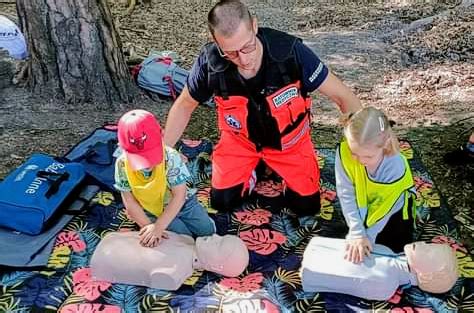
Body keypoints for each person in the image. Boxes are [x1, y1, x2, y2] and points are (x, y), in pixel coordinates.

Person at [163, 0, 362, 216]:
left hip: (290, 144)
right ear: (216, 41)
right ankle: (255, 170)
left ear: (255, 26)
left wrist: (361, 149)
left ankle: (282, 174)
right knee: (222, 201)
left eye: (247, 46)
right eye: (231, 52)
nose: (243, 59)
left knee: (307, 207)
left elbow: (344, 97)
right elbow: (184, 105)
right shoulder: (209, 62)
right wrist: (163, 152)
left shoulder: (290, 52)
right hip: (240, 144)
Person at [114, 109, 215, 248]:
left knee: (207, 232)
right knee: (184, 241)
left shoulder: (171, 157)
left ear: (162, 136)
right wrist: (151, 228)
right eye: (140, 159)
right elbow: (129, 202)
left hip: (184, 204)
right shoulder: (122, 163)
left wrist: (159, 227)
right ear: (122, 148)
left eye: (150, 156)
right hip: (152, 210)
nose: (147, 165)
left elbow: (179, 195)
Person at [335, 107, 416, 263]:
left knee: (395, 253)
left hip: (392, 213)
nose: (359, 160)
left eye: (368, 156)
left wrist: (368, 237)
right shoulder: (344, 153)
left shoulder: (395, 166)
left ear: (385, 145)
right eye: (354, 153)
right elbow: (346, 194)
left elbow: (386, 208)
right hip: (364, 207)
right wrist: (357, 232)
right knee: (353, 246)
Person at [300, 236, 458, 300]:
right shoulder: (388, 253)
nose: (423, 244)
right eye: (429, 244)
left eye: (429, 250)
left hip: (308, 272)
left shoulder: (385, 285)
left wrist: (311, 275)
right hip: (314, 251)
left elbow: (342, 280)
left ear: (427, 276)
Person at [90, 231, 249, 290]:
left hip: (103, 260)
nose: (214, 236)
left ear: (215, 265)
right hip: (112, 242)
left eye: (219, 244)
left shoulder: (175, 274)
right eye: (221, 237)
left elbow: (157, 276)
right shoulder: (186, 239)